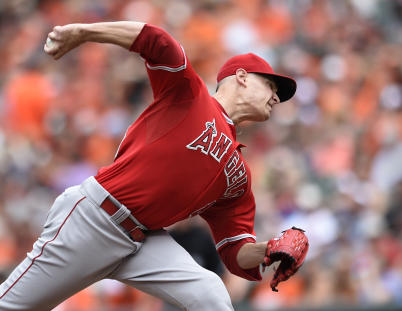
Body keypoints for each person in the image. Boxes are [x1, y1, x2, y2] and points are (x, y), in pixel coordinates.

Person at [0, 21, 308, 310]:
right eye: (270, 85)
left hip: (145, 241)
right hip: (95, 219)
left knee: (210, 292)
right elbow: (157, 42)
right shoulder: (191, 95)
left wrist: (269, 249)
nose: (276, 97)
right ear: (241, 77)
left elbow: (235, 252)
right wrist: (84, 32)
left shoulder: (238, 175)